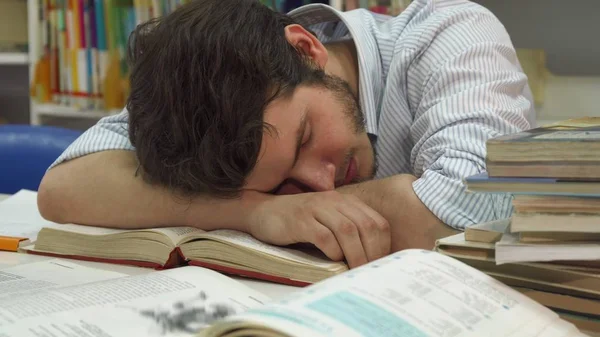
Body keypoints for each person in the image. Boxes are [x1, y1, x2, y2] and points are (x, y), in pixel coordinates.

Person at [37, 0, 535, 269]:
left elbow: (475, 216)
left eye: (303, 139)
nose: (320, 186)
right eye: (280, 183)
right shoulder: (203, 95)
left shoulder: (451, 35)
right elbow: (64, 187)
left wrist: (275, 205)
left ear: (305, 49)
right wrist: (255, 210)